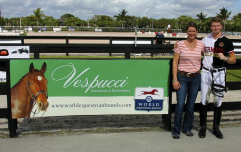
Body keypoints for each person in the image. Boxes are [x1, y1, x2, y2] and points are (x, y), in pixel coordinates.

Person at [198, 17, 236, 139]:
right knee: (204, 99)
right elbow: (194, 49)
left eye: (218, 25)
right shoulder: (204, 40)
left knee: (218, 100)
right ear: (210, 27)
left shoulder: (227, 41)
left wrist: (225, 58)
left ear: (221, 26)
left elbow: (233, 60)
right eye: (213, 26)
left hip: (219, 72)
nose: (216, 27)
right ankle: (203, 127)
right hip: (206, 72)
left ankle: (216, 127)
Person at [172, 22, 204, 139]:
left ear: (196, 32)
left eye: (194, 31)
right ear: (187, 32)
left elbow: (209, 53)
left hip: (195, 77)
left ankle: (187, 128)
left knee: (190, 105)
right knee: (180, 104)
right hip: (182, 77)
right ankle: (176, 130)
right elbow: (175, 62)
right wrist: (174, 79)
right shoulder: (180, 44)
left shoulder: (201, 44)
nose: (192, 33)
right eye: (190, 31)